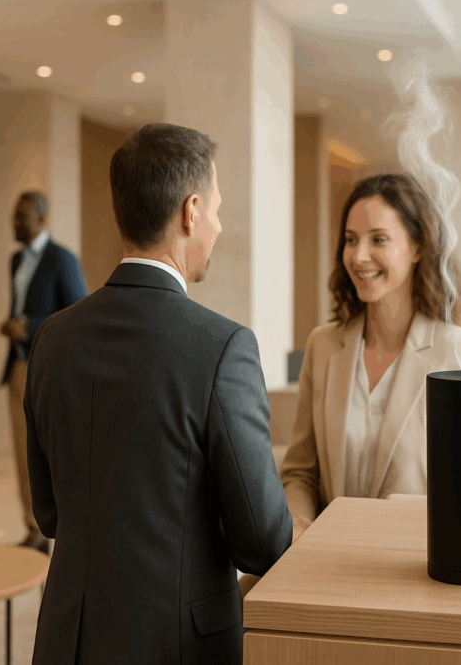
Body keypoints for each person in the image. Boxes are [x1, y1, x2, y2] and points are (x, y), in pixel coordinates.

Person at [25, 123, 292, 664]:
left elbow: (50, 514)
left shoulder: (52, 337)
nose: (217, 224)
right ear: (190, 211)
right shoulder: (224, 347)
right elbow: (262, 540)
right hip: (176, 645)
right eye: (215, 208)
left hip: (66, 640)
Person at [280, 173, 461, 536]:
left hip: (414, 563)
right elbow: (301, 471)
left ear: (418, 248)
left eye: (378, 239)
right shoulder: (323, 346)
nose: (359, 257)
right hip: (328, 558)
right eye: (350, 240)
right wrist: (300, 525)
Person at [0, 190, 88, 553]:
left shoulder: (61, 258)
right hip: (18, 367)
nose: (15, 223)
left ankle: (63, 529)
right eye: (14, 216)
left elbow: (79, 313)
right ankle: (34, 531)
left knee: (54, 453)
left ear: (41, 218)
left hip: (49, 369)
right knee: (23, 454)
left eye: (22, 217)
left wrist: (31, 327)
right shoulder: (16, 259)